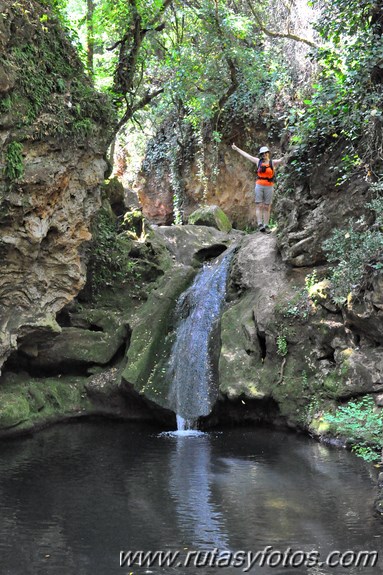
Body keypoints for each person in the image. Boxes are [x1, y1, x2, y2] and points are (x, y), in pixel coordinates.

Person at [232, 143, 288, 233]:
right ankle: (260, 224)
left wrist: (289, 149)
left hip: (269, 186)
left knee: (267, 206)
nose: (264, 155)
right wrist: (236, 148)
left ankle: (266, 225)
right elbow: (247, 156)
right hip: (259, 185)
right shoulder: (258, 161)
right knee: (259, 205)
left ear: (268, 153)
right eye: (262, 153)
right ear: (261, 155)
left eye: (266, 153)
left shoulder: (273, 163)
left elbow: (284, 159)